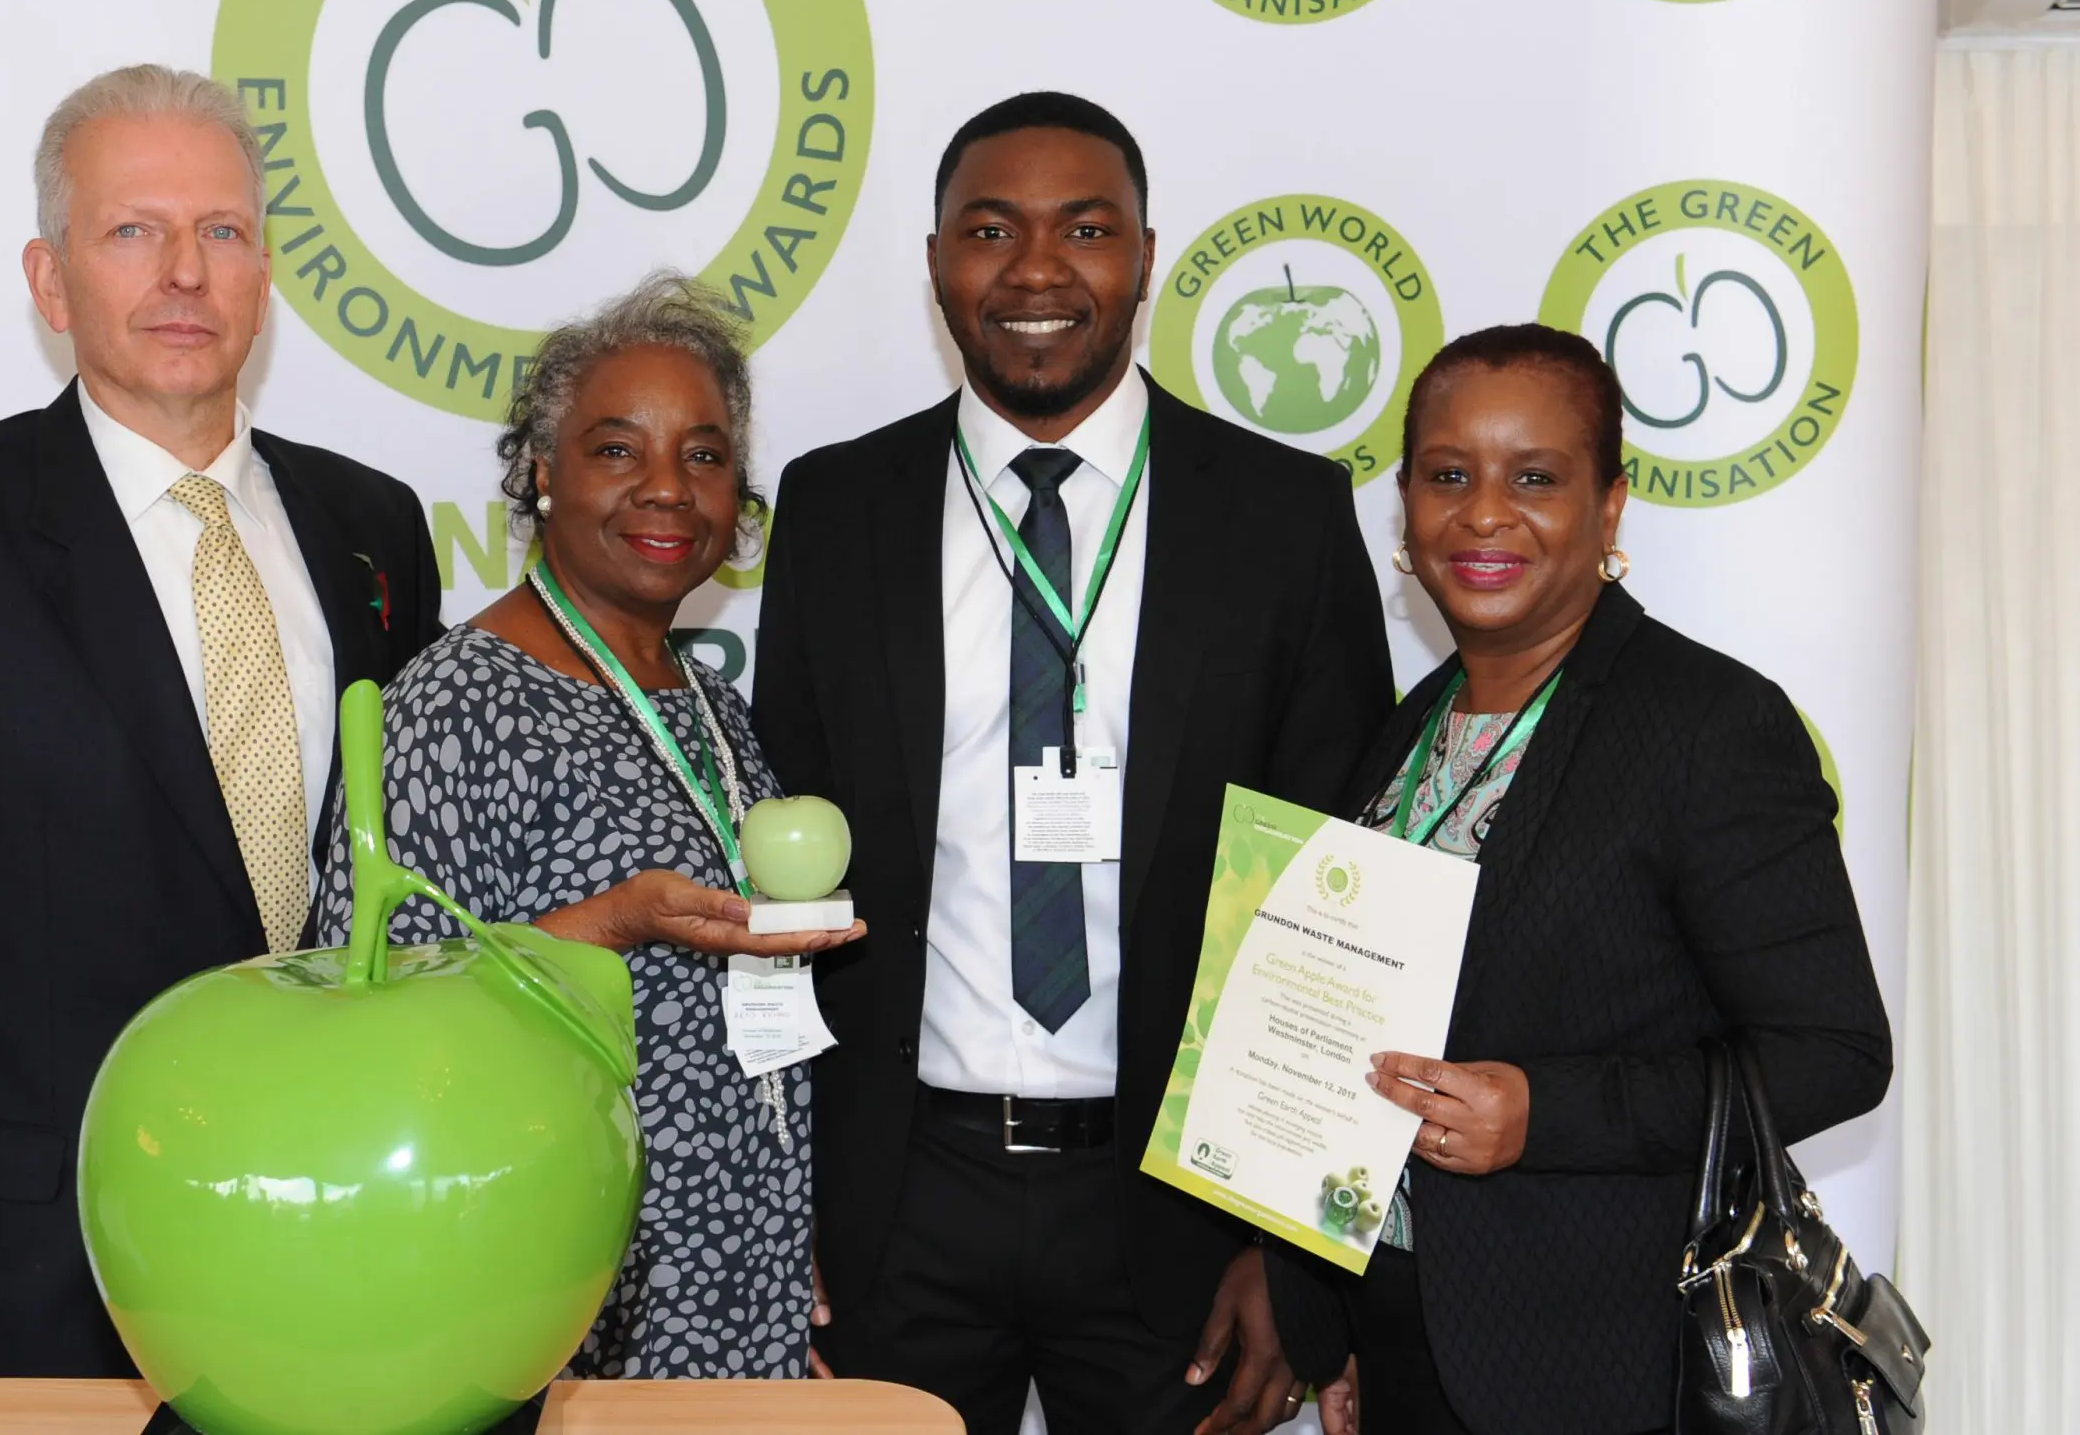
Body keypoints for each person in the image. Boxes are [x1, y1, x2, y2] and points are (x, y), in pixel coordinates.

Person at [0, 64, 444, 1435]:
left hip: (351, 1284)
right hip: (30, 1306)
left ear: (264, 271)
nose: (185, 272)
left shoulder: (375, 528)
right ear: (50, 282)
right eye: (134, 233)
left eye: (222, 233)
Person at [751, 93, 1395, 1434]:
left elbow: (1343, 896)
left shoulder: (1280, 517)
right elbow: (780, 878)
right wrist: (783, 1199)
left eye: (1084, 229)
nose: (1037, 270)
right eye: (991, 231)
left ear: (1146, 256)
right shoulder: (836, 508)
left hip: (1178, 1210)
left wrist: (1294, 1250)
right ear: (937, 266)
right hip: (903, 1195)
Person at [1263, 323, 1893, 1435]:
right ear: (1403, 505)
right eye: (1447, 476)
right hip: (1409, 1338)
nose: (1484, 513)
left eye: (1536, 478)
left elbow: (1834, 1053)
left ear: (1608, 510)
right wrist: (1342, 1331)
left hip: (1603, 1367)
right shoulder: (1406, 732)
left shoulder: (1708, 724)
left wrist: (1544, 1115)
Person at [313, 276, 862, 1386]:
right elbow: (368, 1017)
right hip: (548, 1306)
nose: (668, 490)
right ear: (541, 472)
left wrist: (775, 1217)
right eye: (619, 450)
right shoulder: (458, 703)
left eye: (704, 457)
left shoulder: (712, 706)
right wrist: (606, 925)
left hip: (729, 1292)